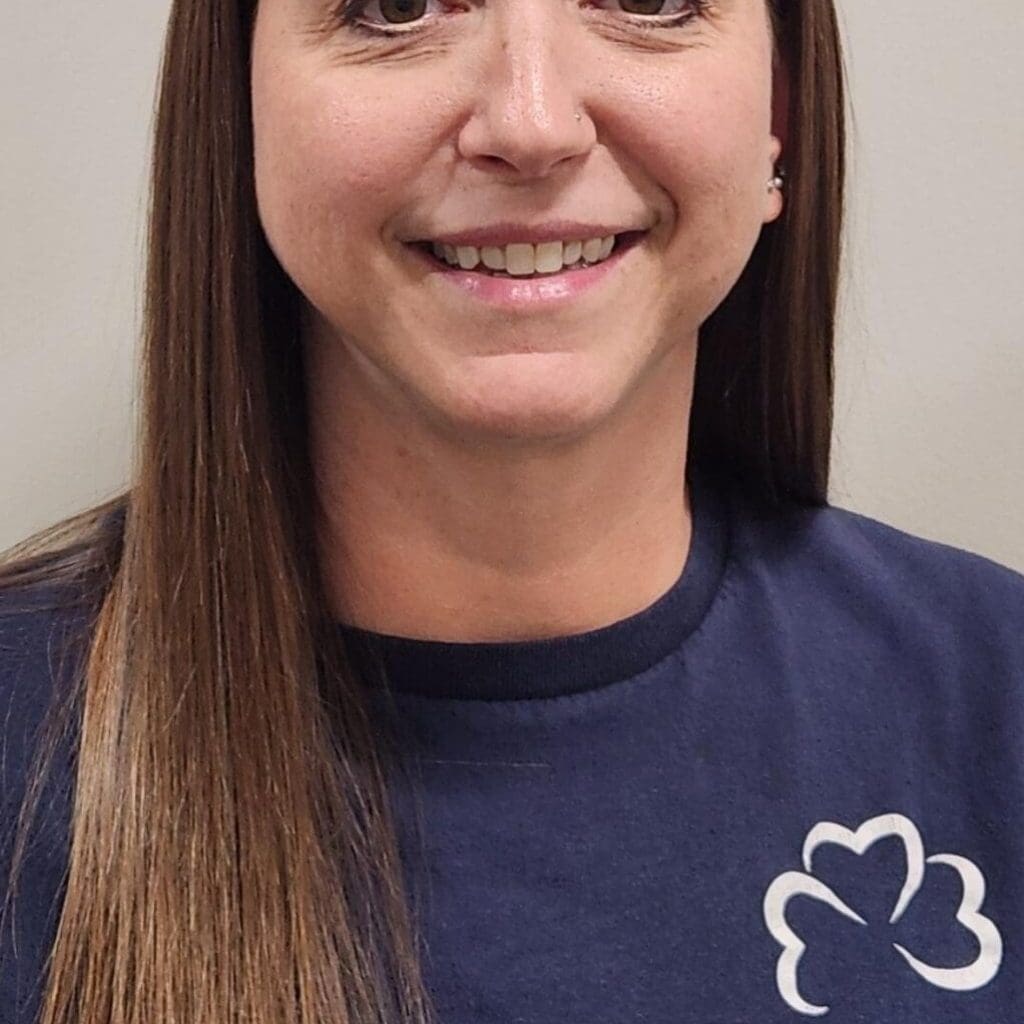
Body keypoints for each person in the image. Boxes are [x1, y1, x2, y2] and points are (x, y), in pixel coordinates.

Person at [1, 0, 1021, 1021]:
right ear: (240, 111)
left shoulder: (995, 691)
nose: (531, 125)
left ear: (778, 115)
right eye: (396, 7)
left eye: (649, 0)